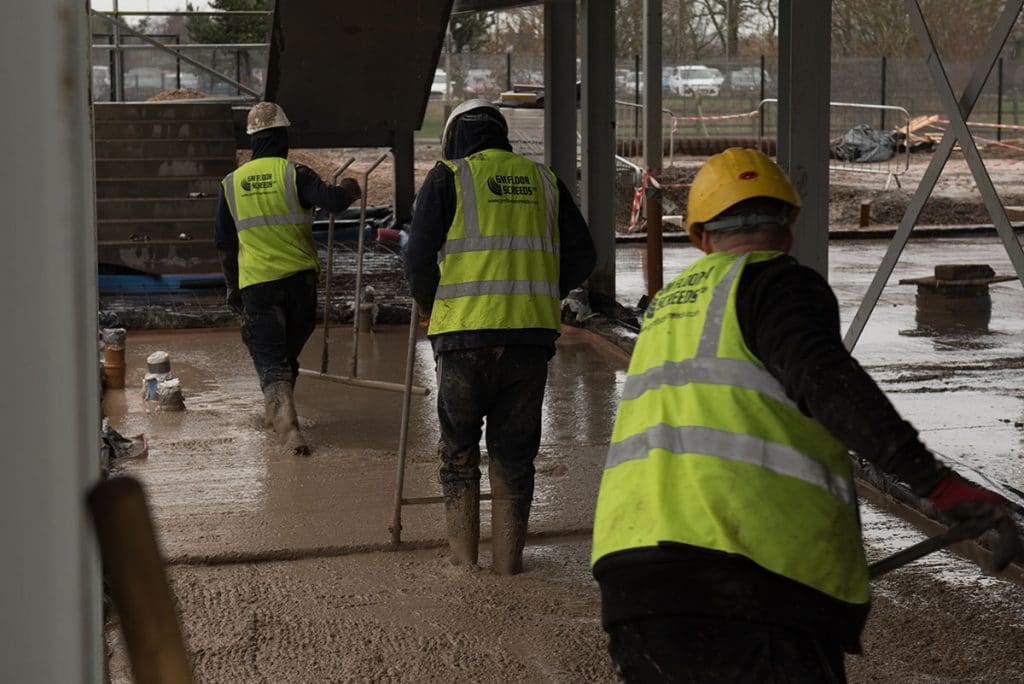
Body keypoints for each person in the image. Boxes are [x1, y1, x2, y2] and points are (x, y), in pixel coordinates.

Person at [590, 147, 1022, 682]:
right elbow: (828, 384)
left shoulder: (662, 312)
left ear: (701, 237)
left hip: (633, 583)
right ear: (788, 232)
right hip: (746, 583)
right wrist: (942, 488)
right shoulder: (776, 284)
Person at [405, 99, 596, 574]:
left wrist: (436, 306)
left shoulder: (448, 177)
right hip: (528, 342)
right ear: (502, 135)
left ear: (454, 138)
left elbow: (416, 260)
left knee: (459, 453)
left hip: (463, 340)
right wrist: (542, 292)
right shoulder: (545, 181)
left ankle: (463, 564)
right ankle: (510, 566)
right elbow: (583, 255)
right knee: (515, 457)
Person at [215, 102, 361, 456]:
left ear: (253, 140)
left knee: (269, 356)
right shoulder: (295, 174)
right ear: (282, 136)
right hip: (300, 283)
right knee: (285, 354)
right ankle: (279, 415)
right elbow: (333, 202)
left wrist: (233, 288)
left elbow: (223, 242)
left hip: (257, 285)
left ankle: (287, 425)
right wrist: (351, 187)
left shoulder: (232, 184)